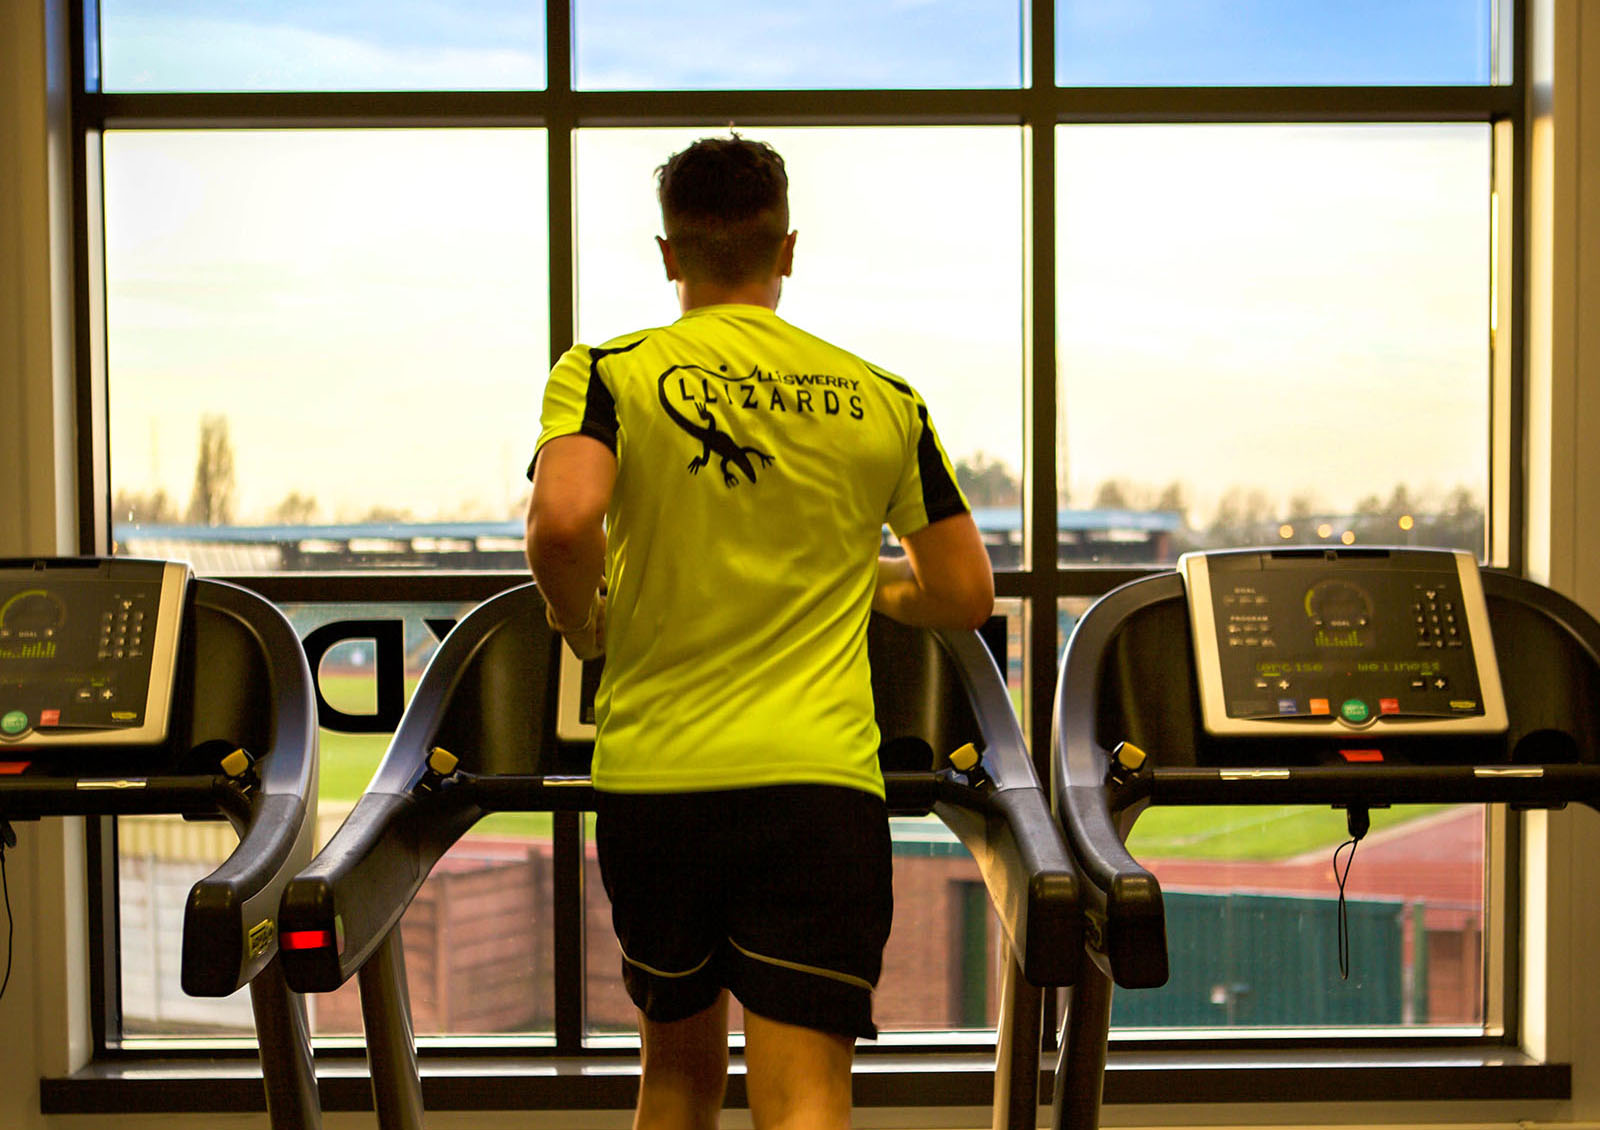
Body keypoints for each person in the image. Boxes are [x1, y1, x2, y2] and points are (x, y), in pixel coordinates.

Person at [525, 135, 993, 1130]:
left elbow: (563, 522)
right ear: (786, 248)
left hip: (659, 779)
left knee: (677, 1076)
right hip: (817, 786)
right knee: (806, 1093)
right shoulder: (881, 394)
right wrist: (870, 587)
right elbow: (961, 590)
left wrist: (582, 620)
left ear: (668, 254)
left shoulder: (608, 370)